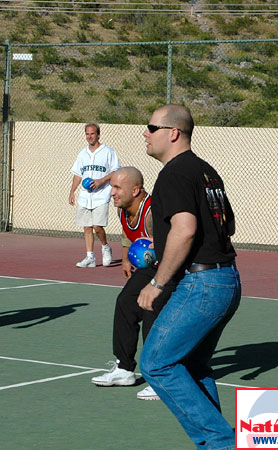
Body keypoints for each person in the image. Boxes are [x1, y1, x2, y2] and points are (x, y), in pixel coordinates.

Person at [137, 105, 240, 449]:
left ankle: (222, 443)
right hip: (225, 281)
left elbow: (184, 230)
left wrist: (157, 283)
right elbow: (229, 225)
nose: (145, 133)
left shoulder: (174, 173)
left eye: (151, 127)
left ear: (173, 133)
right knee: (194, 366)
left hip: (203, 284)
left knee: (156, 363)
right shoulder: (207, 172)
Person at [90, 167, 175, 401]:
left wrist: (156, 244)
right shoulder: (123, 209)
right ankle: (124, 368)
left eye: (117, 188)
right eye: (111, 187)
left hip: (172, 268)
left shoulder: (152, 212)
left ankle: (159, 378)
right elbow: (128, 235)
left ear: (136, 190)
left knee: (151, 309)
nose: (112, 193)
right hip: (152, 267)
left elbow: (175, 243)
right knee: (126, 303)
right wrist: (126, 258)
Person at [68, 123, 121, 268]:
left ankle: (105, 246)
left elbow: (116, 171)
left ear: (98, 134)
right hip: (85, 196)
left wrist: (101, 181)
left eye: (92, 133)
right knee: (86, 227)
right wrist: (72, 191)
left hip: (101, 195)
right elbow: (78, 174)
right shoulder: (82, 153)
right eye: (87, 134)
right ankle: (90, 257)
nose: (89, 136)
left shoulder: (108, 152)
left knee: (97, 226)